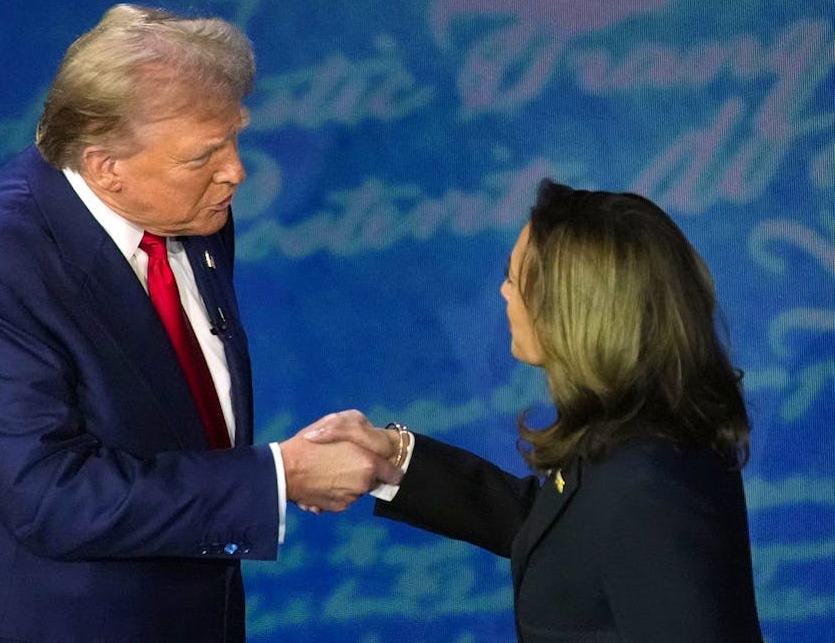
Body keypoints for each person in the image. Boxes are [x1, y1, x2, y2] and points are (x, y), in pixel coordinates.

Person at [0, 4, 399, 643]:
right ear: (105, 166)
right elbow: (52, 499)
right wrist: (278, 477)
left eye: (235, 137)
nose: (235, 170)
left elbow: (171, 421)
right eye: (203, 155)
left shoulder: (191, 210)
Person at [307, 180, 764, 642]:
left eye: (513, 278)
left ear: (573, 308)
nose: (504, 292)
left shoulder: (648, 487)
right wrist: (394, 457)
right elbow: (557, 532)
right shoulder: (632, 433)